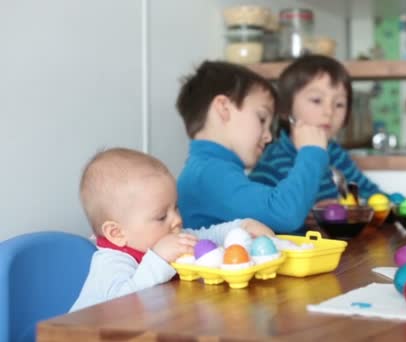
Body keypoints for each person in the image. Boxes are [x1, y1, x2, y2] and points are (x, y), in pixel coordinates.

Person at [70, 148, 273, 312]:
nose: (176, 219)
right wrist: (158, 258)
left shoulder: (167, 236)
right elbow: (121, 307)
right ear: (117, 233)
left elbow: (205, 236)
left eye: (176, 207)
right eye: (161, 216)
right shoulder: (111, 262)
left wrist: (242, 226)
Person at [175, 61, 328, 233]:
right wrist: (312, 152)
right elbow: (285, 214)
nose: (268, 136)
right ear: (223, 108)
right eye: (262, 119)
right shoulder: (209, 173)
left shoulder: (207, 169)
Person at [249, 54, 382, 203]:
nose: (329, 112)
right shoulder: (274, 161)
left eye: (339, 104)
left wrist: (393, 203)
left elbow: (370, 193)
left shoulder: (335, 154)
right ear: (286, 109)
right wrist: (319, 211)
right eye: (317, 100)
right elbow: (267, 215)